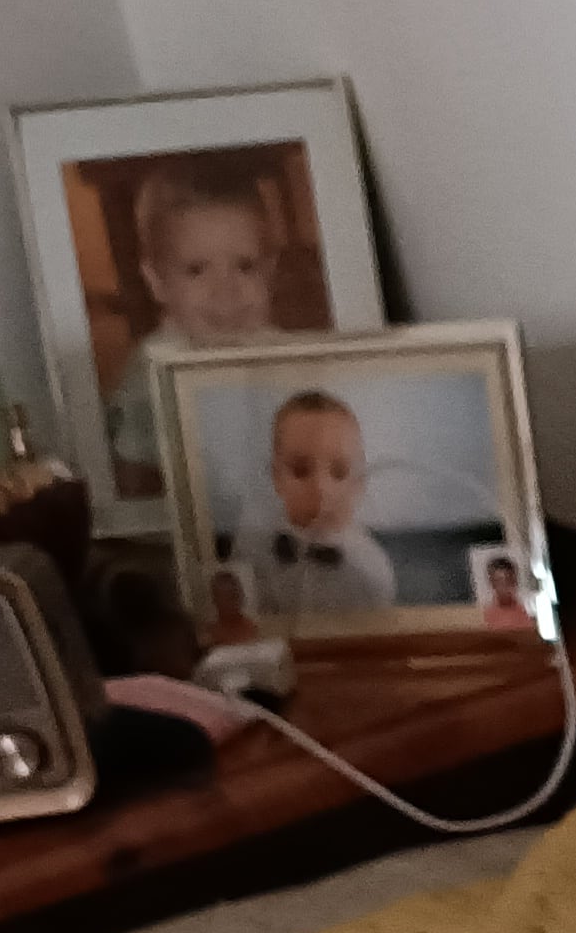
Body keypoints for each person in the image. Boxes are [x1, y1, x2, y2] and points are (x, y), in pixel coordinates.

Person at [98, 165, 302, 497]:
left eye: (245, 266)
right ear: (157, 282)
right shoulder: (151, 369)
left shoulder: (293, 358)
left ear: (271, 270)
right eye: (196, 270)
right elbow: (134, 477)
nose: (226, 291)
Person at [224, 390, 394, 622]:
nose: (321, 489)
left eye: (340, 472)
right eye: (300, 471)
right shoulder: (252, 551)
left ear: (360, 483)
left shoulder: (371, 565)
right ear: (276, 478)